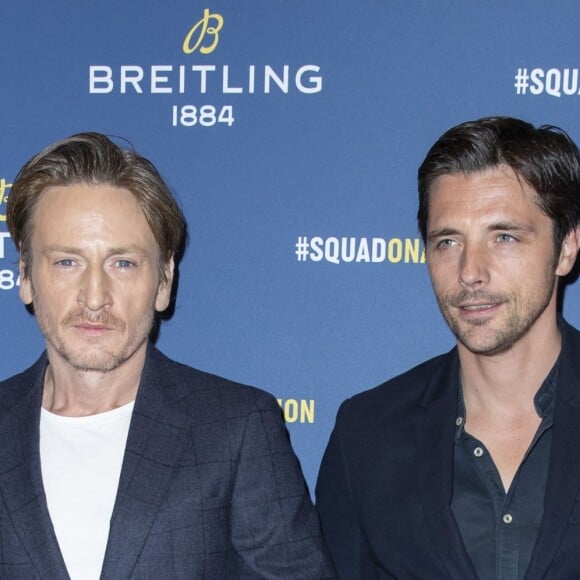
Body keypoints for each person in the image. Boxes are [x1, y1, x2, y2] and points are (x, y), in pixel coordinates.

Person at [1, 132, 335, 579]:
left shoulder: (236, 429)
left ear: (163, 282)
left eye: (122, 263)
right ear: (25, 275)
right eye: (68, 262)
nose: (94, 296)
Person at [316, 116, 580, 579]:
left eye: (504, 237)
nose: (470, 271)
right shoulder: (366, 435)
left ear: (566, 248)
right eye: (447, 241)